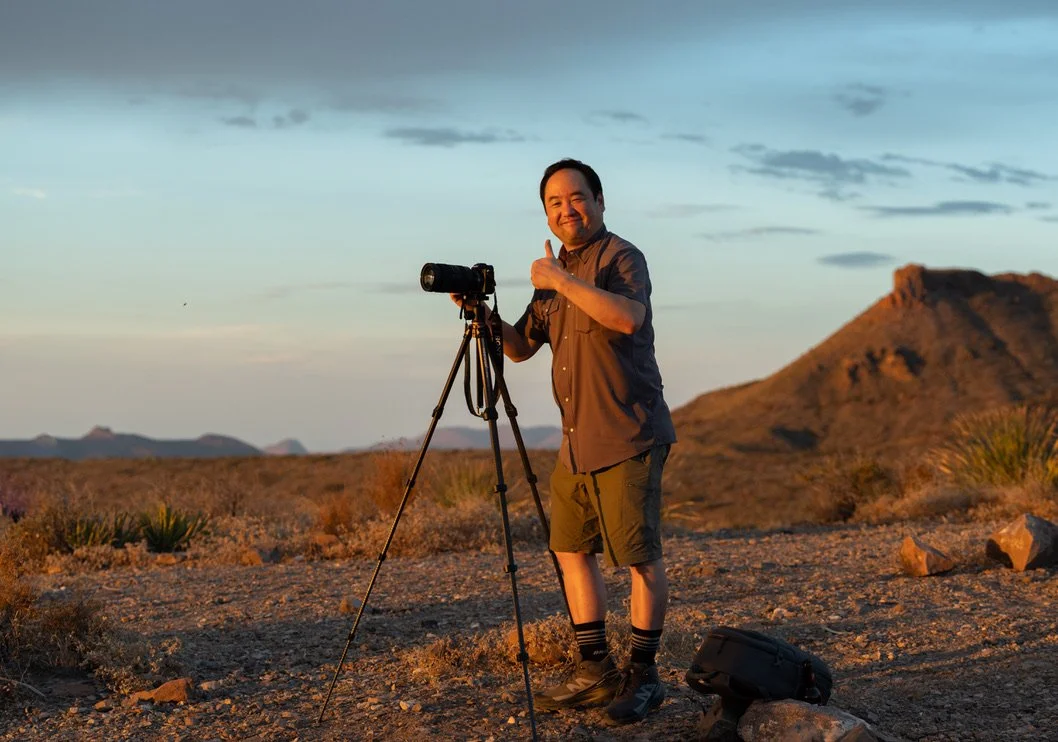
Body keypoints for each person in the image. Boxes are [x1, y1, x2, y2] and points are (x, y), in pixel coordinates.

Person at [453, 158, 676, 725]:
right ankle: (594, 666)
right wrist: (481, 315)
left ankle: (645, 676)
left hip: (628, 434)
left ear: (599, 202)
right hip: (576, 445)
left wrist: (563, 282)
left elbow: (629, 317)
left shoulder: (620, 257)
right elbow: (521, 347)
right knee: (572, 551)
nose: (566, 209)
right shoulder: (555, 276)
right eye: (554, 203)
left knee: (639, 559)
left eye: (576, 198)